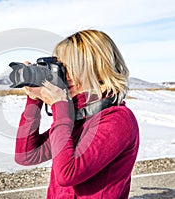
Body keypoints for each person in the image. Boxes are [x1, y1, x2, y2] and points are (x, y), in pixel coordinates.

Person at [14, 29, 139, 199]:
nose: (63, 75)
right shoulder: (78, 118)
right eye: (60, 67)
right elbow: (26, 156)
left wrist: (60, 105)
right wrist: (34, 100)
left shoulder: (118, 119)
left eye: (69, 67)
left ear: (96, 67)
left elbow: (67, 174)